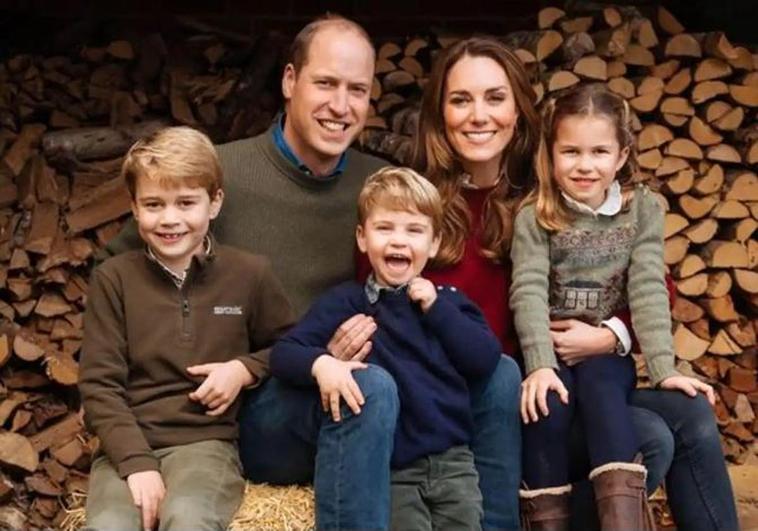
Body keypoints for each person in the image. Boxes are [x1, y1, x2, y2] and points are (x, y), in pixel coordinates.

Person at [104, 15, 521, 531]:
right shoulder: (220, 177)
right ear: (289, 82)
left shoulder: (381, 187)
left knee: (500, 374)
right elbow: (123, 270)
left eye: (358, 90)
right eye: (326, 83)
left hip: (372, 397)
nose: (341, 106)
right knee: (371, 387)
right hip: (267, 406)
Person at [406, 37, 738, 531]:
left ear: (519, 109)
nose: (479, 115)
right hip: (505, 398)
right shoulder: (417, 207)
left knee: (690, 413)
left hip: (580, 376)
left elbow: (653, 284)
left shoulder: (551, 188)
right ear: (440, 111)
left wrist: (611, 336)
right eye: (461, 99)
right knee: (650, 436)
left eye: (495, 98)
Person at [510, 84, 717, 530]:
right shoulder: (536, 215)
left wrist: (664, 369)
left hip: (606, 353)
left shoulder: (641, 209)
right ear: (550, 154)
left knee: (605, 393)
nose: (585, 165)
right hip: (554, 354)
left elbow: (647, 287)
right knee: (546, 406)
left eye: (599, 151)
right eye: (570, 152)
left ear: (622, 155)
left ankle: (622, 522)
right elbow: (526, 288)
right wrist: (540, 365)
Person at [79, 126, 294, 531]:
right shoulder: (113, 279)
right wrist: (136, 464)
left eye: (186, 202)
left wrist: (244, 368)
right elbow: (98, 385)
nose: (170, 219)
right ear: (134, 207)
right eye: (154, 204)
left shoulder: (250, 274)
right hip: (125, 447)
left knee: (189, 517)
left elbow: (289, 345)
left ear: (214, 203)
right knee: (108, 524)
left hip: (206, 445)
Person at [271, 167, 501, 530]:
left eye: (414, 230)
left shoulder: (449, 303)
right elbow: (284, 353)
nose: (398, 241)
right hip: (394, 468)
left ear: (435, 243)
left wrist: (437, 310)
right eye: (385, 228)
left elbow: (485, 360)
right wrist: (322, 364)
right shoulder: (346, 302)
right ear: (362, 238)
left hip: (454, 463)